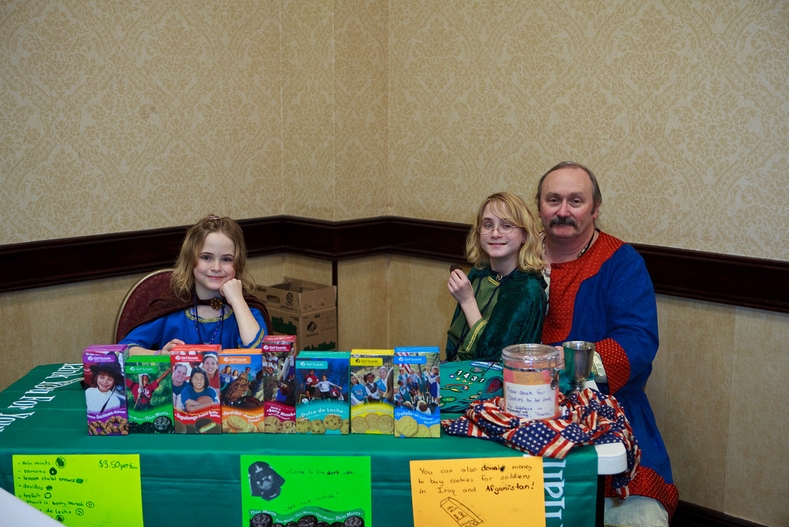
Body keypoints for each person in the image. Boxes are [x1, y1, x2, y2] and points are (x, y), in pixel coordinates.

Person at [535, 161, 678, 527]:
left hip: (609, 411)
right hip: (522, 409)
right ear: (539, 206)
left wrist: (567, 364)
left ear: (595, 208)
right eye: (553, 200)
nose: (563, 211)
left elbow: (638, 340)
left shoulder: (621, 262)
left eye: (576, 201)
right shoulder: (516, 254)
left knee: (640, 519)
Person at [119, 215, 271, 354]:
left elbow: (263, 356)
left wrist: (237, 301)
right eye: (206, 257)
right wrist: (161, 356)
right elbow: (124, 350)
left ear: (238, 264)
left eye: (227, 259)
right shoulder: (170, 308)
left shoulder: (247, 309)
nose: (216, 267)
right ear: (190, 260)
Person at [445, 192, 547, 362]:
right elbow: (456, 339)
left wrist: (467, 301)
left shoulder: (526, 289)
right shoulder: (479, 273)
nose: (495, 233)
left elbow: (492, 355)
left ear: (524, 235)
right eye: (488, 225)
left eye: (506, 226)